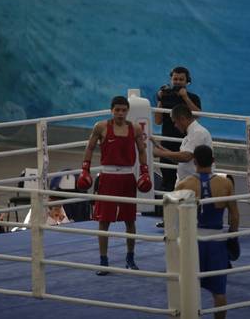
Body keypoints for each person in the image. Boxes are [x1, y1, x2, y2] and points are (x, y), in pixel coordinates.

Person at [76, 96, 152, 275]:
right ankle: (103, 261)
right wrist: (85, 169)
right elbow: (90, 147)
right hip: (108, 177)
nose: (120, 113)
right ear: (111, 110)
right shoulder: (101, 127)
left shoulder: (134, 128)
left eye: (123, 110)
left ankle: (130, 258)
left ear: (127, 111)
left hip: (127, 177)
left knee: (130, 220)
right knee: (104, 220)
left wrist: (145, 171)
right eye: (117, 110)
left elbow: (142, 150)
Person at [175, 145, 239, 319]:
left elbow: (176, 218)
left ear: (194, 162)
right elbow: (234, 216)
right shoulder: (226, 183)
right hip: (217, 243)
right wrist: (232, 237)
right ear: (213, 161)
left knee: (187, 288)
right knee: (219, 292)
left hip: (193, 242)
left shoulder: (183, 185)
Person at [153, 67, 202, 228]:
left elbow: (197, 114)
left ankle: (191, 217)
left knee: (188, 182)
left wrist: (185, 97)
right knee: (168, 182)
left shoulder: (193, 97)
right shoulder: (165, 96)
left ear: (187, 81)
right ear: (171, 79)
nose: (178, 82)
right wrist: (160, 99)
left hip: (186, 145)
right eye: (175, 79)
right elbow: (158, 121)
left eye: (181, 79)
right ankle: (168, 218)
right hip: (168, 144)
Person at [153, 103, 212, 184]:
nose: (175, 126)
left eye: (175, 122)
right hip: (189, 182)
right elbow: (180, 158)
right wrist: (160, 148)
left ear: (182, 118)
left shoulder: (198, 133)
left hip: (195, 184)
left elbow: (186, 157)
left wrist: (161, 153)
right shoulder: (190, 135)